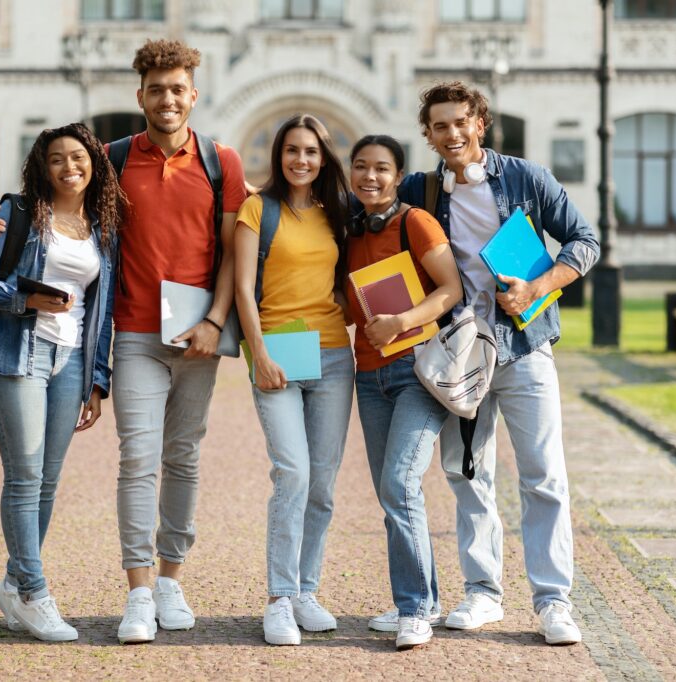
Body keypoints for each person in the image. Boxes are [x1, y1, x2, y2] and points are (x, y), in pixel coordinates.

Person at [0, 39, 247, 644]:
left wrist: (216, 320)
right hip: (134, 334)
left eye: (178, 89)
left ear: (193, 94)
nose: (167, 99)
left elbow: (234, 250)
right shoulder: (115, 158)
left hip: (198, 331)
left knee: (185, 458)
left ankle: (172, 578)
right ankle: (140, 592)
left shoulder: (222, 162)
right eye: (156, 89)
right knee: (137, 459)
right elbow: (58, 197)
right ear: (140, 95)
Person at [399, 81, 600, 645]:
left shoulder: (526, 178)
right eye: (440, 126)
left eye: (461, 122)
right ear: (429, 134)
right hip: (459, 353)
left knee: (543, 477)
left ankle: (554, 601)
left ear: (479, 123)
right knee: (467, 476)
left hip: (526, 345)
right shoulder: (421, 191)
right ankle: (483, 592)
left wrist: (538, 285)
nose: (452, 134)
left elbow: (585, 241)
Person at [0, 122, 122, 642]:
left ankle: (12, 583)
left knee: (47, 482)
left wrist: (97, 381)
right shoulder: (18, 215)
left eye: (78, 157)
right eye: (57, 158)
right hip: (17, 354)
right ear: (41, 166)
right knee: (25, 477)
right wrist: (25, 300)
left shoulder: (101, 227)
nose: (69, 167)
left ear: (94, 164)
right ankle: (33, 591)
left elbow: (102, 311)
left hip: (71, 360)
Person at [233, 114, 354, 646]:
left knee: (323, 485)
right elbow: (241, 286)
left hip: (332, 358)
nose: (301, 160)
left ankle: (306, 589)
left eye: (310, 151)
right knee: (293, 473)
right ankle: (279, 598)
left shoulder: (337, 216)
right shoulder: (258, 208)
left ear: (323, 158)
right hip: (277, 356)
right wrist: (257, 353)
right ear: (278, 155)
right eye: (291, 150)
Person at [344, 136, 463, 650]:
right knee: (394, 492)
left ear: (398, 176)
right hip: (368, 378)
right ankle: (425, 600)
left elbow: (451, 288)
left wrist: (402, 321)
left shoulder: (416, 221)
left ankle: (414, 609)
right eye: (361, 167)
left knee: (398, 483)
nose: (370, 177)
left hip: (418, 372)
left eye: (382, 169)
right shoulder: (347, 231)